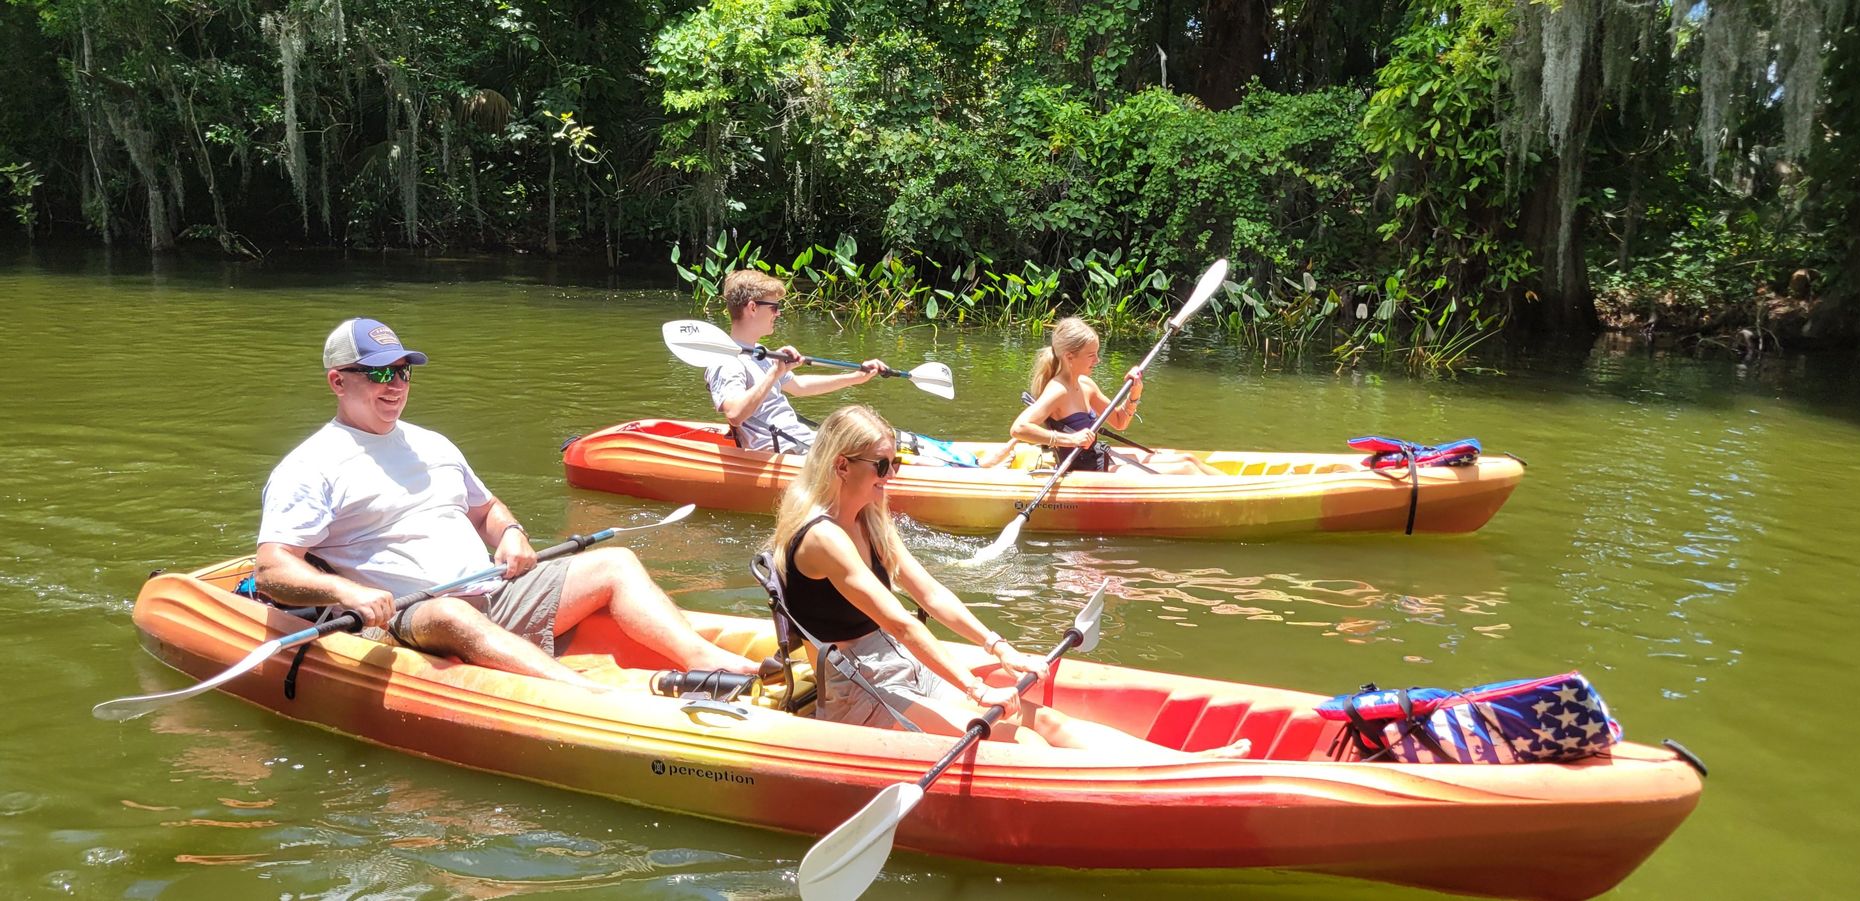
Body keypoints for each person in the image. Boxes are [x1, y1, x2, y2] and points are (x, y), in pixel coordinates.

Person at [255, 317, 760, 689]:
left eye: (404, 373)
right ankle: (581, 693)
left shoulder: (431, 442)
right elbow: (273, 568)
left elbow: (486, 509)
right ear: (338, 381)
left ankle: (707, 659)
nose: (397, 386)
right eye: (380, 374)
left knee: (616, 563)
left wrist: (512, 534)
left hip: (495, 591)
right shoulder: (310, 466)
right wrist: (346, 593)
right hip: (414, 614)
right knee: (452, 612)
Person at [767, 405, 1249, 757]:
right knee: (1013, 735)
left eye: (895, 463)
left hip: (901, 667)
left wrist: (999, 647)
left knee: (1045, 719)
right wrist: (978, 691)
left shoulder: (870, 517)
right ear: (841, 465)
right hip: (857, 688)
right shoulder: (823, 537)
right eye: (883, 466)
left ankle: (1180, 764)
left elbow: (931, 595)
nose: (891, 476)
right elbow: (902, 624)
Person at [1009, 317, 1222, 476]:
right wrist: (1071, 439)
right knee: (1185, 469)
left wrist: (1134, 393)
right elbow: (1019, 429)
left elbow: (1120, 422)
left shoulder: (1086, 384)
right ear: (1069, 357)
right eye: (1091, 355)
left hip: (1100, 458)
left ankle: (1238, 488)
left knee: (1188, 458)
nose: (1097, 360)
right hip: (1085, 469)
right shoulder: (1057, 390)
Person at [706, 269, 888, 453]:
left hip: (798, 440)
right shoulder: (728, 361)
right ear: (752, 308)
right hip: (783, 449)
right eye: (774, 307)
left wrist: (856, 377)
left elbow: (799, 386)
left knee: (879, 437)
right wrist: (773, 374)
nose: (778, 314)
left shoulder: (761, 353)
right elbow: (734, 415)